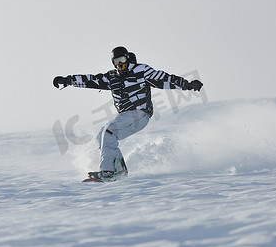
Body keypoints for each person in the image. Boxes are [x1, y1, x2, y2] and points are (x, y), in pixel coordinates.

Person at [53, 46, 203, 181]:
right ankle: (119, 169)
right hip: (125, 116)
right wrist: (68, 80)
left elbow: (163, 78)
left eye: (122, 59)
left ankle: (107, 171)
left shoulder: (141, 71)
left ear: (128, 58)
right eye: (116, 61)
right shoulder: (112, 77)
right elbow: (91, 80)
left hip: (139, 113)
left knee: (109, 132)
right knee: (101, 136)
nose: (120, 64)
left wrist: (187, 84)